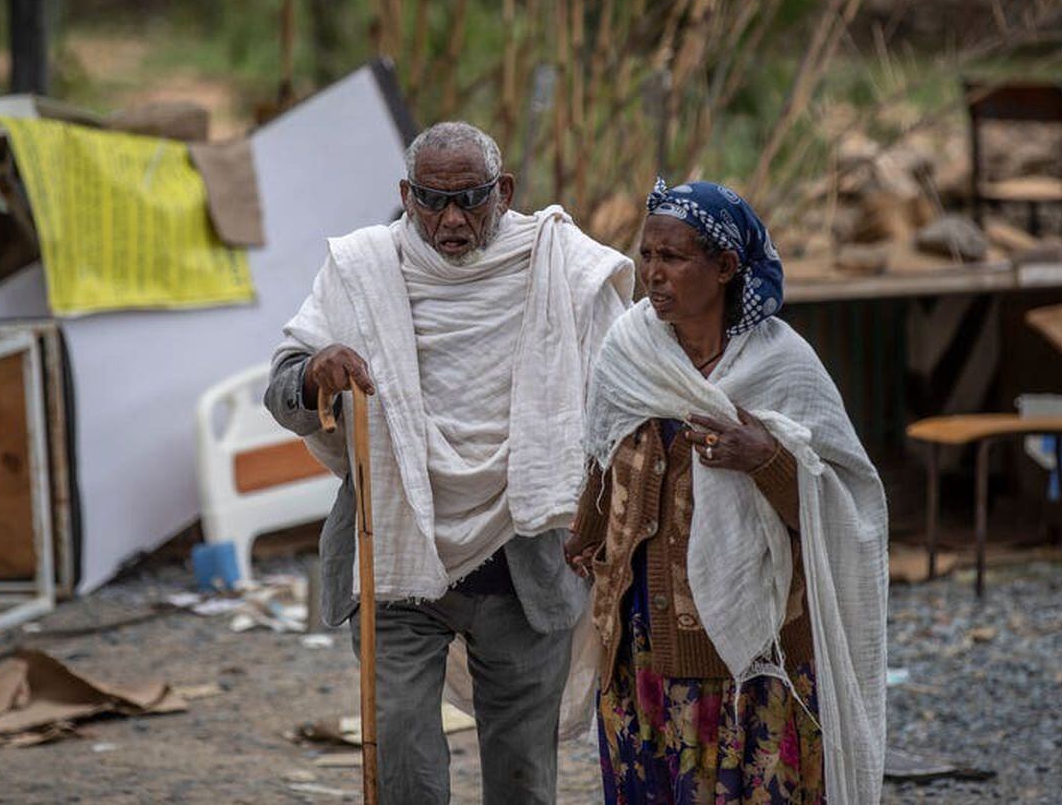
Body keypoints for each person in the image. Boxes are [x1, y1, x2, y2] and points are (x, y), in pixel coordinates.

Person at [265, 121, 634, 805]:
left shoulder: (560, 264)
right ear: (406, 195)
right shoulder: (363, 268)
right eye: (434, 201)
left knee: (523, 773)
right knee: (402, 761)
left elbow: (624, 393)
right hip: (396, 560)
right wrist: (319, 372)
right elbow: (284, 387)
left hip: (524, 561)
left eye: (472, 198)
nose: (454, 219)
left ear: (506, 192)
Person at [567, 179, 887, 805]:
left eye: (674, 258)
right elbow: (602, 452)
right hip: (642, 648)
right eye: (648, 256)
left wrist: (766, 459)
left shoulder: (784, 366)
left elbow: (848, 512)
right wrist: (587, 530)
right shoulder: (629, 351)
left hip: (752, 661)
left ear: (725, 267)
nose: (654, 274)